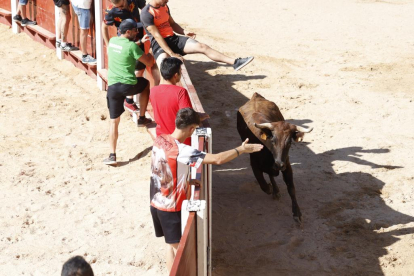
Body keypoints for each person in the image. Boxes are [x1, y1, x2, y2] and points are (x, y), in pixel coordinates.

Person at [150, 108, 263, 273]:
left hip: (155, 201)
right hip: (170, 208)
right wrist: (241, 150)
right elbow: (217, 159)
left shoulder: (160, 139)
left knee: (170, 245)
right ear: (191, 129)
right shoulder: (182, 151)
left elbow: (163, 170)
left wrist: (187, 180)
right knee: (178, 251)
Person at [140, 0, 254, 77]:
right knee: (164, 67)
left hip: (173, 38)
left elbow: (173, 24)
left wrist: (184, 32)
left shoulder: (164, 6)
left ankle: (235, 62)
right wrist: (172, 53)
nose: (168, 0)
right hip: (159, 44)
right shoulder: (146, 13)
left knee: (202, 46)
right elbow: (157, 36)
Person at [103, 19, 154, 165]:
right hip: (128, 86)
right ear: (127, 32)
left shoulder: (113, 41)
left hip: (112, 87)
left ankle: (112, 155)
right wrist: (149, 48)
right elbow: (149, 62)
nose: (137, 32)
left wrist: (138, 43)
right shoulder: (132, 46)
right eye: (135, 30)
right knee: (145, 84)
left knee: (114, 122)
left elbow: (125, 48)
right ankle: (142, 118)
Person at [150, 57, 209, 146]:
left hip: (162, 140)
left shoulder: (153, 91)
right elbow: (187, 118)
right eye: (180, 71)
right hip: (181, 141)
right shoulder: (180, 92)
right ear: (176, 75)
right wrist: (199, 117)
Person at [102, 0, 148, 77]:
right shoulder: (111, 10)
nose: (120, 9)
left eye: (121, 6)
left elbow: (145, 9)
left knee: (139, 66)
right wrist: (107, 45)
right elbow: (104, 27)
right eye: (117, 7)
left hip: (138, 32)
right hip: (124, 37)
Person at [70, 0, 96, 64]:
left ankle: (85, 55)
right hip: (83, 6)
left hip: (79, 5)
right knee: (84, 31)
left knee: (84, 31)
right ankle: (85, 55)